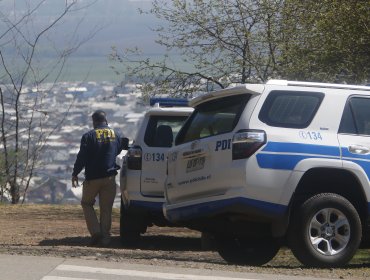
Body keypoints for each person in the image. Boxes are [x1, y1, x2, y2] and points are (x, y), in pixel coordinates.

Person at [72, 110, 125, 247]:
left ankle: (95, 232)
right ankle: (106, 239)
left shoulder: (88, 136)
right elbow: (119, 150)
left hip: (93, 178)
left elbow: (81, 157)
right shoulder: (116, 135)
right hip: (109, 178)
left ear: (94, 121)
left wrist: (75, 173)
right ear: (105, 120)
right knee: (106, 208)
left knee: (87, 203)